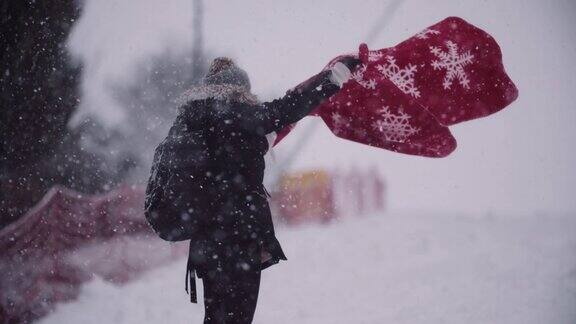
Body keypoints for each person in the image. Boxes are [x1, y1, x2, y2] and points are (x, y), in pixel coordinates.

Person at [173, 56, 359, 323]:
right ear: (239, 89)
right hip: (239, 236)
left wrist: (257, 143)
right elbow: (291, 106)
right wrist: (333, 78)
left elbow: (219, 159)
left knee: (216, 317)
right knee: (237, 317)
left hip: (207, 239)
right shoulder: (239, 114)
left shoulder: (192, 118)